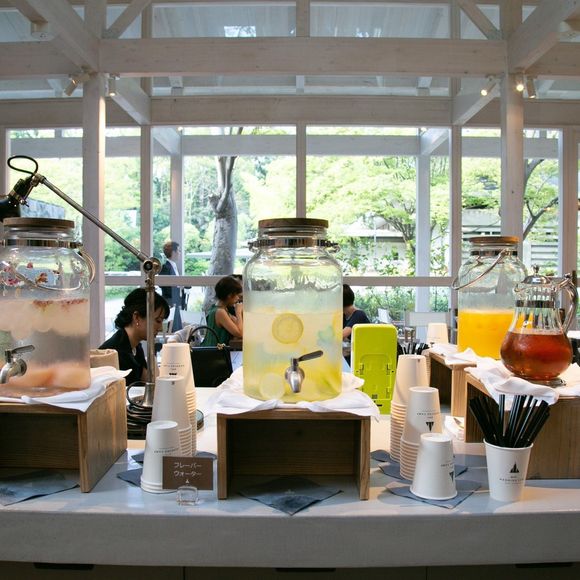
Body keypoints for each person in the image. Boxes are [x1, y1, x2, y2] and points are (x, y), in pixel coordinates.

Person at [100, 288, 170, 385]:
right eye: (158, 321)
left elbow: (148, 380)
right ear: (136, 317)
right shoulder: (117, 353)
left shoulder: (135, 346)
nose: (161, 328)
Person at [201, 275, 243, 346]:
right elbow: (239, 333)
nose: (238, 298)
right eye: (237, 295)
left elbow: (241, 327)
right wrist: (238, 312)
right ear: (229, 295)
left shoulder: (221, 309)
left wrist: (241, 312)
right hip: (213, 351)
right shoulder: (220, 312)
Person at [159, 240, 183, 332]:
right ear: (173, 252)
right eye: (178, 250)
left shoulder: (173, 266)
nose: (179, 253)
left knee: (176, 326)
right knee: (172, 327)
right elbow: (162, 284)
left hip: (175, 300)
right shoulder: (166, 267)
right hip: (170, 301)